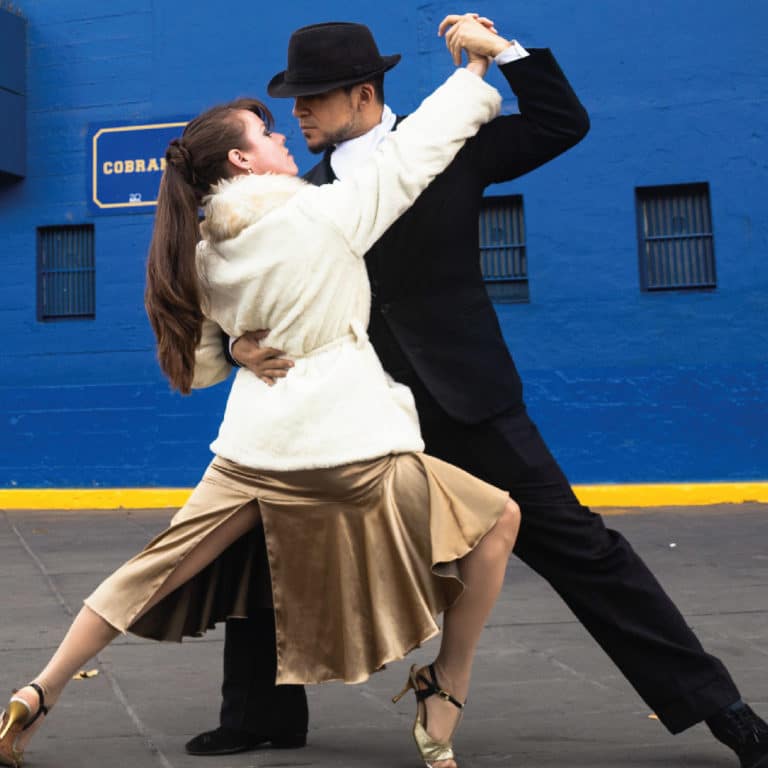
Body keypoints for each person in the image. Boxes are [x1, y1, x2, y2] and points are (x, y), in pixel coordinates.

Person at [188, 15, 768, 768]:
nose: (298, 113)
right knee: (270, 538)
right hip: (353, 409)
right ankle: (260, 715)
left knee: (581, 548)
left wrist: (505, 53)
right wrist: (235, 346)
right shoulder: (298, 193)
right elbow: (252, 293)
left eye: (314, 98)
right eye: (292, 101)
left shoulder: (446, 146)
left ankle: (725, 712)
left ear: (363, 94)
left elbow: (564, 122)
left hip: (467, 394)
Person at [0, 17, 523, 768]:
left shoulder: (201, 251)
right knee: (499, 520)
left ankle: (37, 691)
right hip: (350, 448)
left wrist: (242, 348)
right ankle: (445, 694)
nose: (287, 141)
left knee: (151, 568)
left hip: (252, 451)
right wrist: (474, 75)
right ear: (245, 160)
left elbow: (206, 365)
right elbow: (415, 154)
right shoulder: (321, 217)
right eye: (268, 134)